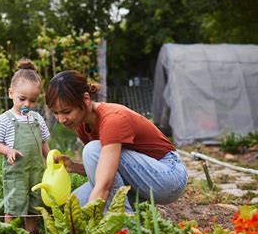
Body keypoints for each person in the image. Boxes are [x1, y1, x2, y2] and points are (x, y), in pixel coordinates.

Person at [46, 70, 188, 213]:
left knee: (92, 150)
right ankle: (140, 214)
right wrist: (75, 167)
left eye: (66, 112)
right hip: (143, 178)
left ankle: (124, 227)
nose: (61, 119)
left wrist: (92, 216)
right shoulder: (82, 125)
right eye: (55, 113)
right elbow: (104, 169)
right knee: (73, 208)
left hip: (169, 177)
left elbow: (104, 185)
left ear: (86, 99)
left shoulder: (112, 119)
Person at [0, 59, 50, 234]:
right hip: (16, 172)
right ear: (11, 93)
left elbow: (44, 142)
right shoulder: (5, 119)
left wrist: (51, 161)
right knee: (15, 204)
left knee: (35, 204)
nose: (27, 105)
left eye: (33, 100)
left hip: (36, 171)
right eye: (22, 99)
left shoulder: (37, 118)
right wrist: (8, 150)